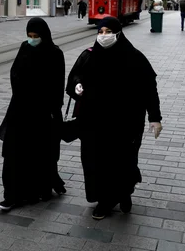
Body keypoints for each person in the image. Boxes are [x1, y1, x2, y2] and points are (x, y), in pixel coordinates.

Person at [66, 16, 162, 220]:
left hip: (125, 124)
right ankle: (105, 201)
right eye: (100, 32)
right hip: (94, 122)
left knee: (123, 161)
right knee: (97, 162)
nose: (103, 36)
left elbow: (148, 89)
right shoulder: (89, 56)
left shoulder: (134, 58)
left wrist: (155, 117)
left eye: (108, 32)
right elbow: (74, 79)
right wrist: (77, 86)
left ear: (118, 33)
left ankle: (124, 193)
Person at [0, 18, 66, 211]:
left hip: (42, 112)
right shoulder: (24, 48)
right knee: (13, 151)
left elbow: (57, 84)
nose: (32, 40)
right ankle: (11, 195)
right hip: (20, 108)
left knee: (39, 152)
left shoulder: (55, 53)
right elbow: (15, 72)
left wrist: (53, 109)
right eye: (29, 36)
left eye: (36, 37)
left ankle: (37, 190)